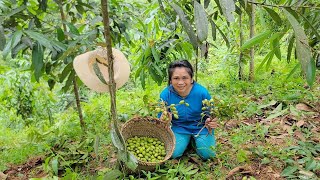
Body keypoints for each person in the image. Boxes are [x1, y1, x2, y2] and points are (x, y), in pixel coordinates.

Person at [158, 60, 218, 160]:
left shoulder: (201, 92)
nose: (180, 82)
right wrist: (164, 119)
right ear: (170, 80)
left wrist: (211, 121)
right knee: (173, 154)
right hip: (178, 128)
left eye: (185, 78)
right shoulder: (165, 94)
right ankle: (186, 140)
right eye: (176, 78)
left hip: (201, 127)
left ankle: (195, 141)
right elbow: (160, 116)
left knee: (208, 155)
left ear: (191, 79)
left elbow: (211, 114)